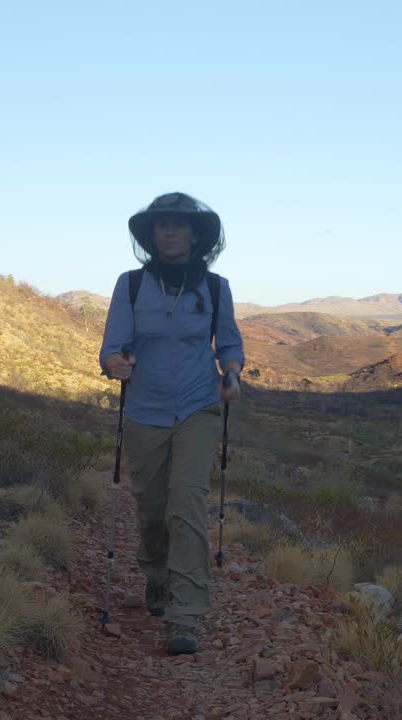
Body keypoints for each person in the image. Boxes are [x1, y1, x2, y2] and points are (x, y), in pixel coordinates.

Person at [99, 191, 244, 655]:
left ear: (196, 234)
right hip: (145, 411)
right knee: (153, 511)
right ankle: (157, 578)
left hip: (199, 407)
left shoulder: (216, 287)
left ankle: (185, 617)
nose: (170, 232)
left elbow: (229, 346)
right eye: (162, 225)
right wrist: (114, 364)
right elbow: (112, 347)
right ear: (151, 233)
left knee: (187, 508)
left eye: (179, 225)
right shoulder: (132, 285)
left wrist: (233, 374)